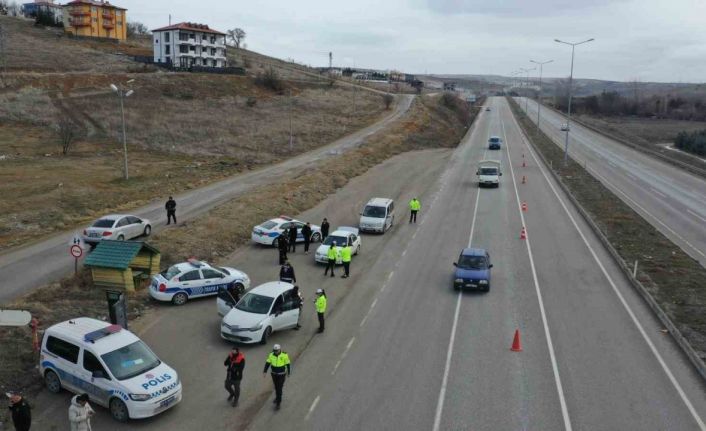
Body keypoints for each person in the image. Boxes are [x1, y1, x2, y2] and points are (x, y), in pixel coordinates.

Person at [263, 344, 291, 410]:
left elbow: (288, 364)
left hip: (281, 374)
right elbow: (267, 363)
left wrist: (289, 372)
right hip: (274, 374)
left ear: (280, 349)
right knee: (276, 387)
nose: (276, 352)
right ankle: (277, 397)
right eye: (275, 350)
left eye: (277, 350)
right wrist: (265, 371)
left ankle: (278, 403)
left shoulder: (284, 355)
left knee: (279, 388)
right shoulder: (271, 355)